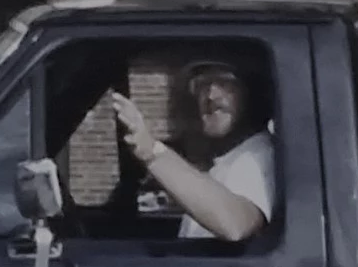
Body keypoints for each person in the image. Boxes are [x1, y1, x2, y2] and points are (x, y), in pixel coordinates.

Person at [108, 59, 277, 242]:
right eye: (203, 85)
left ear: (251, 92)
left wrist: (152, 152)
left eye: (225, 83)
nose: (211, 95)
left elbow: (235, 224)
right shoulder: (228, 160)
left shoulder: (259, 155)